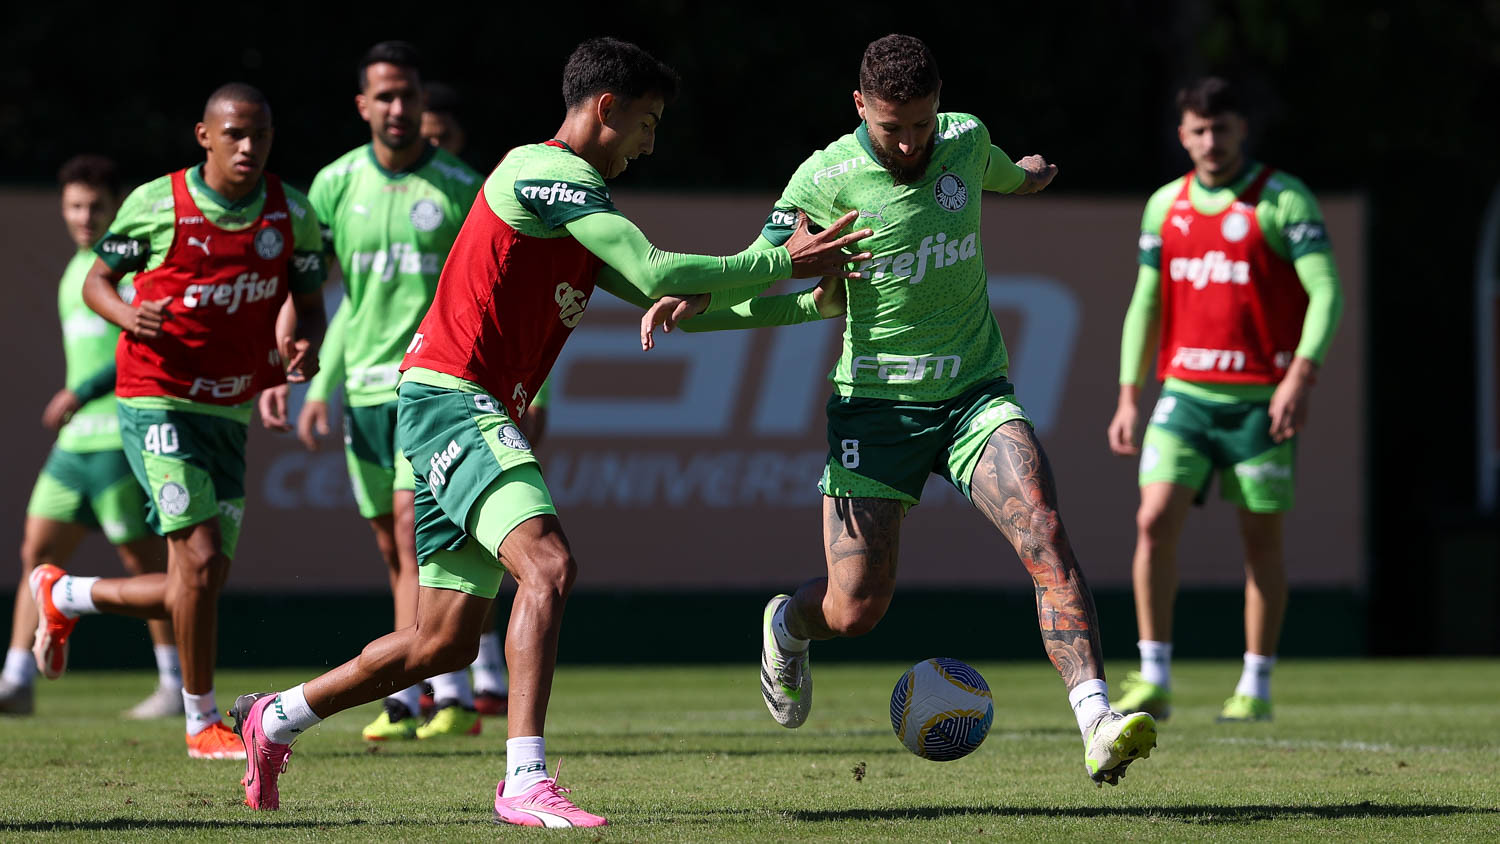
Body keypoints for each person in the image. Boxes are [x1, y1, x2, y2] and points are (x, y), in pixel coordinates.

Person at [231, 37, 868, 824]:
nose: (650, 142)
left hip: (465, 405)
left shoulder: (584, 209)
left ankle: (276, 717)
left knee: (441, 645)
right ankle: (525, 779)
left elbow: (680, 309)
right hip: (452, 395)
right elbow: (666, 272)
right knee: (550, 566)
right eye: (647, 121)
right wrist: (781, 260)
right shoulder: (542, 172)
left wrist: (812, 305)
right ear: (607, 108)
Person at [642, 34, 1156, 787]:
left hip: (975, 395)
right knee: (856, 610)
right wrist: (700, 294)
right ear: (860, 108)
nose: (911, 142)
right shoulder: (826, 176)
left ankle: (1097, 721)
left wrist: (1033, 176)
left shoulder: (965, 139)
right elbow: (766, 255)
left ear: (940, 105)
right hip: (875, 413)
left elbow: (1007, 173)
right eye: (892, 128)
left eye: (922, 123)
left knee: (1043, 529)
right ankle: (787, 623)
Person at [29, 83, 327, 759]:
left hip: (229, 410)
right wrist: (127, 314)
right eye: (235, 135)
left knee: (200, 580)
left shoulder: (291, 212)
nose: (249, 147)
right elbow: (96, 281)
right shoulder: (158, 203)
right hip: (155, 399)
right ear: (205, 136)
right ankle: (200, 724)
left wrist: (302, 345)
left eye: (261, 136)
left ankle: (66, 594)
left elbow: (309, 304)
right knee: (196, 560)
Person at [268, 42, 489, 740]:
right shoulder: (333, 186)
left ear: (424, 106)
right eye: (385, 96)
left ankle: (413, 695)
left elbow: (493, 297)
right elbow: (313, 293)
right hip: (360, 393)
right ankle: (429, 688)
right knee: (394, 551)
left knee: (408, 527)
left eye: (409, 96)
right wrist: (300, 377)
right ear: (363, 106)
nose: (399, 108)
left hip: (431, 388)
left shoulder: (460, 187)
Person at [1106, 77, 1342, 723]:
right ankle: (1154, 676)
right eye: (1199, 130)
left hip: (1261, 403)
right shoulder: (1165, 206)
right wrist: (1129, 396)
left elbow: (1327, 292)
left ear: (1243, 130)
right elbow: (1146, 303)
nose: (1211, 141)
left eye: (1223, 128)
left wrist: (1300, 376)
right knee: (1152, 522)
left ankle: (1255, 686)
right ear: (1182, 135)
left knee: (1260, 542)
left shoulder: (1283, 200)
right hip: (1184, 396)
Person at [0, 156, 180, 720]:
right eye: (75, 206)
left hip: (117, 443)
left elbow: (136, 349)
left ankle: (175, 684)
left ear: (114, 208)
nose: (84, 216)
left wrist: (80, 391)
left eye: (95, 206)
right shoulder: (74, 269)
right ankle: (17, 678)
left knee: (143, 566)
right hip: (73, 450)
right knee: (37, 553)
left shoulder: (127, 273)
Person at [416, 77, 510, 715]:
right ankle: (449, 695)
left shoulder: (472, 192)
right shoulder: (343, 184)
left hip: (483, 397)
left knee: (448, 633)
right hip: (433, 390)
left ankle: (278, 713)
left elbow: (517, 318)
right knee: (544, 562)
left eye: (442, 134)